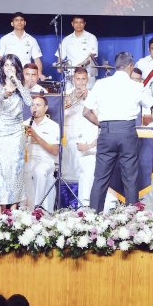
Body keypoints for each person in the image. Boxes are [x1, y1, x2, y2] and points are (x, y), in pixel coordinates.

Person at [83, 51, 153, 211]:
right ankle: (131, 220)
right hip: (127, 133)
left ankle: (93, 218)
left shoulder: (100, 84)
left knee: (100, 179)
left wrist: (102, 124)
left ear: (116, 66)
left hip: (107, 132)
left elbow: (86, 112)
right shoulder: (136, 86)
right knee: (130, 179)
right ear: (130, 67)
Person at [0, 55, 32, 214]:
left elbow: (29, 102)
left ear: (17, 68)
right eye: (6, 65)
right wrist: (8, 89)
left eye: (12, 65)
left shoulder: (22, 89)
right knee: (1, 170)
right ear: (2, 68)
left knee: (15, 169)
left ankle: (14, 211)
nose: (9, 68)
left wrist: (18, 83)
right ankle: (0, 212)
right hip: (1, 132)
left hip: (16, 132)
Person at [63, 68, 99, 207]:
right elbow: (60, 112)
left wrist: (87, 99)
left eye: (84, 79)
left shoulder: (93, 95)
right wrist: (73, 98)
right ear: (73, 79)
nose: (81, 82)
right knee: (69, 171)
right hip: (70, 136)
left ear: (88, 80)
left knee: (85, 170)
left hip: (87, 136)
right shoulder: (66, 94)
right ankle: (67, 203)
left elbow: (98, 115)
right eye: (78, 79)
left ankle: (84, 203)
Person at [26, 94, 60, 212]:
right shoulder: (25, 124)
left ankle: (38, 206)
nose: (34, 108)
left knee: (39, 171)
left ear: (46, 108)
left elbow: (55, 151)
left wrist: (36, 137)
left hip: (46, 160)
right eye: (32, 105)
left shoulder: (53, 126)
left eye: (38, 105)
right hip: (28, 160)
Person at [0, 12, 43, 77]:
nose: (19, 22)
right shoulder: (4, 39)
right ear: (12, 23)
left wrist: (39, 75)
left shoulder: (32, 40)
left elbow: (37, 60)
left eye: (21, 20)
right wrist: (2, 73)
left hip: (26, 75)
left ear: (25, 23)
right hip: (9, 74)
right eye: (16, 20)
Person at [55, 15, 98, 87]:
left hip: (87, 75)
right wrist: (59, 66)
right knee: (69, 96)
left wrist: (81, 65)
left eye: (81, 22)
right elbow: (60, 57)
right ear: (72, 24)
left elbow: (92, 57)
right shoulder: (66, 39)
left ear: (84, 24)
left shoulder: (91, 37)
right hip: (71, 76)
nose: (78, 25)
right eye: (76, 22)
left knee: (88, 97)